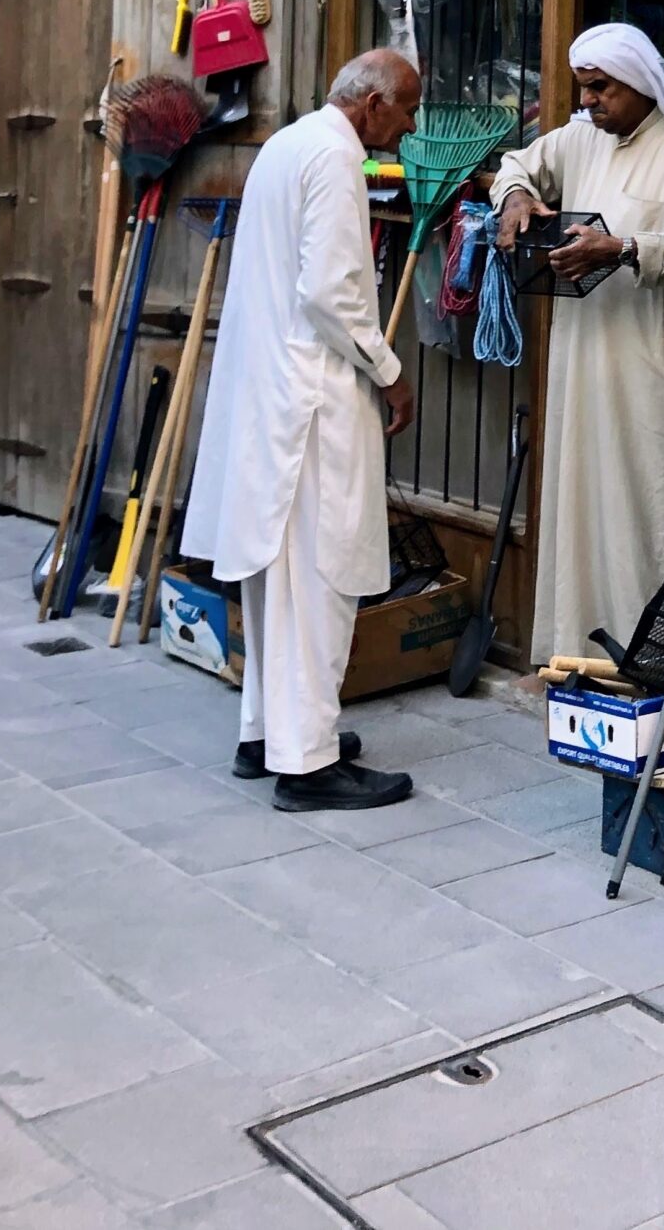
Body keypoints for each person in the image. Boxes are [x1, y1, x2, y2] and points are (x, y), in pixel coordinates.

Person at [183, 49, 421, 811]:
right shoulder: (333, 158)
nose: (411, 125)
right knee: (319, 576)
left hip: (272, 388)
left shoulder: (289, 142)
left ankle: (268, 731)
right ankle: (308, 763)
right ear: (373, 102)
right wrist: (389, 370)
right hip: (309, 396)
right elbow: (331, 292)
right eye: (407, 109)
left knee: (275, 573)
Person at [491, 22, 664, 662]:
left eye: (601, 89)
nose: (590, 101)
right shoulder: (579, 138)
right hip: (583, 355)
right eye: (585, 89)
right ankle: (575, 655)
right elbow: (517, 164)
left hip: (652, 363)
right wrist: (515, 197)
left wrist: (622, 248)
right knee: (580, 504)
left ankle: (651, 664)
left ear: (640, 83)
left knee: (654, 510)